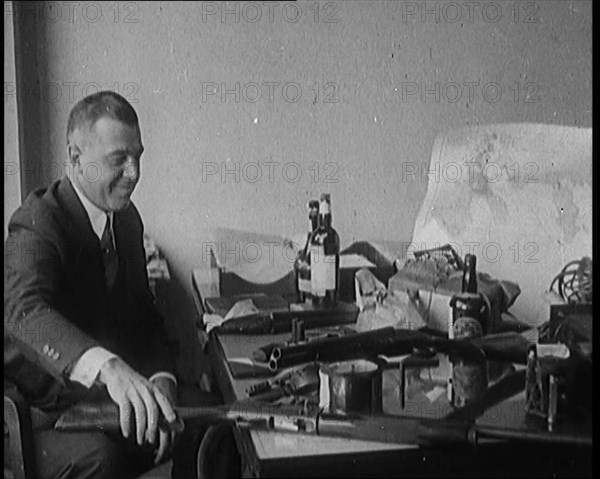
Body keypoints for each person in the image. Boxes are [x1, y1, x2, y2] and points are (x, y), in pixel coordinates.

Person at [5, 91, 223, 478]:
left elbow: (144, 315)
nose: (134, 172)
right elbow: (25, 312)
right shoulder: (37, 222)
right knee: (102, 460)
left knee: (213, 420)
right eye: (118, 159)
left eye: (137, 155)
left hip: (107, 404)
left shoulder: (126, 220)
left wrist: (162, 379)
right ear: (75, 158)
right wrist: (110, 369)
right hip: (38, 414)